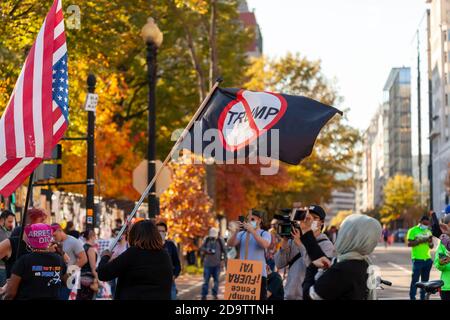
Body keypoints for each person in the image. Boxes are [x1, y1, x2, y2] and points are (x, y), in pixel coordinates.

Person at [303, 213, 382, 300]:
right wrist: (306, 231)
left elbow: (310, 296)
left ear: (348, 236)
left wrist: (311, 267)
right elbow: (324, 259)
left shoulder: (342, 270)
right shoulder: (365, 264)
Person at [97, 220, 173, 300]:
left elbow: (103, 274)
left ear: (135, 236)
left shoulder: (133, 253)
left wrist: (105, 257)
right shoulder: (164, 255)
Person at [274, 205, 335, 300]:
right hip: (288, 296)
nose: (310, 220)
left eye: (314, 218)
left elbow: (315, 267)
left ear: (321, 222)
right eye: (307, 217)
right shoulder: (295, 238)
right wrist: (285, 241)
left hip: (308, 296)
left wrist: (300, 244)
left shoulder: (327, 245)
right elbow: (278, 263)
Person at [3, 223, 68, 300]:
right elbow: (68, 282)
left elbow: (10, 293)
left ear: (30, 239)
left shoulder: (24, 260)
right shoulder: (58, 259)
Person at [227, 209, 271, 300]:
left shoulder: (264, 233)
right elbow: (230, 243)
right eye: (248, 220)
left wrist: (253, 232)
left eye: (252, 219)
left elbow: (265, 244)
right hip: (244, 275)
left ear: (259, 220)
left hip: (259, 275)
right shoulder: (242, 234)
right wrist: (235, 232)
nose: (250, 222)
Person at [51, 223, 87, 300]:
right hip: (56, 277)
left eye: (55, 235)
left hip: (69, 277)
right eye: (52, 236)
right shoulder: (54, 242)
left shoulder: (74, 241)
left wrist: (69, 273)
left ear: (60, 230)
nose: (53, 238)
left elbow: (83, 259)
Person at [406, 215, 434, 300]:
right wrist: (421, 240)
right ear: (420, 222)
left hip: (427, 260)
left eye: (427, 224)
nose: (426, 225)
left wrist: (429, 242)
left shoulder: (429, 231)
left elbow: (431, 246)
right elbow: (409, 244)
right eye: (425, 223)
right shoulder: (412, 230)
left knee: (425, 282)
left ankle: (423, 297)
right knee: (415, 280)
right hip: (417, 259)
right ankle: (412, 297)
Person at [200, 227, 227, 300]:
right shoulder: (207, 239)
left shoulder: (220, 240)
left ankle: (214, 294)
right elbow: (201, 248)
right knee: (206, 281)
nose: (212, 238)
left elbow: (224, 251)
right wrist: (207, 250)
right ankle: (204, 295)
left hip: (217, 264)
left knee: (216, 281)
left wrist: (223, 260)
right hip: (207, 264)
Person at [156, 222, 181, 300]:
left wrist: (174, 276)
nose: (161, 233)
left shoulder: (170, 245)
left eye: (163, 231)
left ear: (166, 232)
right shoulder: (151, 246)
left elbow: (177, 264)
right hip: (155, 283)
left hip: (169, 282)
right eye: (158, 231)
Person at [76, 229, 99, 300]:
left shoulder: (82, 248)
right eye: (95, 236)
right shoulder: (91, 249)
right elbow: (93, 268)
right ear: (92, 236)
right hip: (89, 279)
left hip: (82, 277)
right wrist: (98, 279)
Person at [433, 214, 450, 300]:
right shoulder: (443, 244)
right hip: (447, 286)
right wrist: (442, 263)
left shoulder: (445, 241)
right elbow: (438, 264)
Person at [0, 210, 15, 287]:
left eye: (12, 222)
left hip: (7, 269)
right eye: (9, 221)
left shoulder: (9, 232)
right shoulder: (2, 233)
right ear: (2, 220)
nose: (11, 224)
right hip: (2, 269)